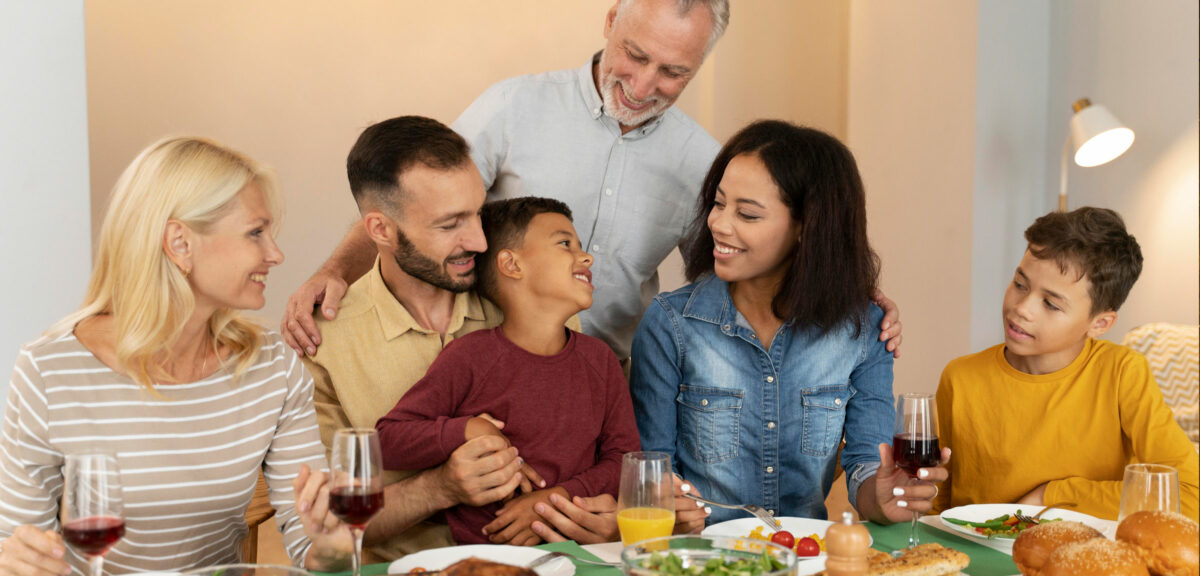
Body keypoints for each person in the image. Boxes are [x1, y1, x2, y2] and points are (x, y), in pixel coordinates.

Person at [279, 0, 904, 365]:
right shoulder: (513, 106)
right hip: (482, 357)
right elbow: (417, 202)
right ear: (610, 20)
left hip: (611, 375)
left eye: (673, 72)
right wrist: (335, 270)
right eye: (635, 54)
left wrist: (854, 291)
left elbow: (743, 264)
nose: (641, 84)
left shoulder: (704, 162)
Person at [0, 137, 352, 574]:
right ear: (179, 242)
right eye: (255, 233)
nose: (275, 254)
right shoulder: (50, 372)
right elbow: (16, 542)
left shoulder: (273, 370)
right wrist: (14, 562)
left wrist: (334, 543)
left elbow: (315, 551)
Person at [631, 120, 947, 526]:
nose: (719, 224)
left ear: (806, 228)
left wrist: (886, 497)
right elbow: (651, 472)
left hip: (807, 557)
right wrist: (668, 506)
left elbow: (868, 465)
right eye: (718, 203)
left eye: (747, 213)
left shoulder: (865, 329)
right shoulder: (671, 325)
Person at [375, 197, 642, 546]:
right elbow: (386, 440)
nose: (586, 257)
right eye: (565, 244)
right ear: (512, 264)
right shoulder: (470, 358)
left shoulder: (601, 361)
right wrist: (468, 429)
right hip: (483, 563)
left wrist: (554, 499)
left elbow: (624, 459)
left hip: (582, 558)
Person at [934, 207, 1199, 521]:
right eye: (1020, 284)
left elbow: (1189, 495)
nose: (1022, 308)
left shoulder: (1122, 373)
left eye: (1050, 303)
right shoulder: (960, 377)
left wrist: (1053, 495)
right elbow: (936, 507)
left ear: (1099, 324)